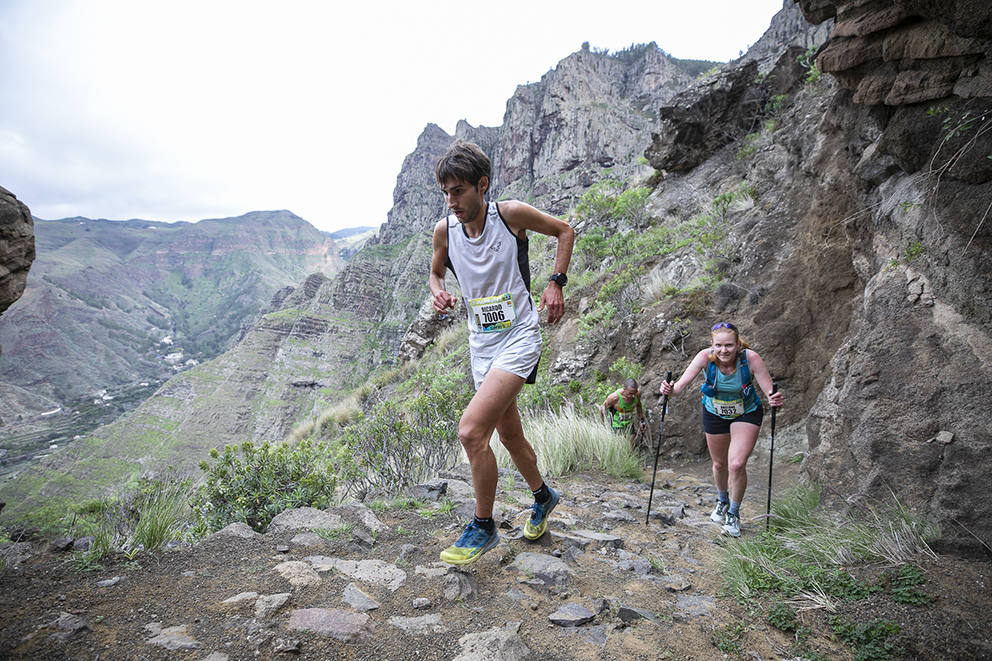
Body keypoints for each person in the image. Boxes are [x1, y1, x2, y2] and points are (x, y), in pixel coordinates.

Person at [429, 140, 575, 565]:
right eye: (446, 193)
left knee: (471, 432)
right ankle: (543, 496)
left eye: (458, 191)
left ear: (482, 185)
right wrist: (439, 292)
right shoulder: (444, 231)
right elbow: (435, 274)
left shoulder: (509, 216)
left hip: (519, 338)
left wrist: (556, 283)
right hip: (481, 346)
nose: (451, 201)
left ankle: (483, 525)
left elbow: (565, 230)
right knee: (509, 435)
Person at [658, 322, 783, 537]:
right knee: (719, 464)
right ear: (712, 344)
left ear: (738, 344)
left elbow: (770, 391)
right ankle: (722, 500)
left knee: (736, 464)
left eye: (729, 345)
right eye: (719, 345)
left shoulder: (751, 359)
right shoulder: (704, 357)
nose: (724, 350)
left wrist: (775, 399)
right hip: (714, 412)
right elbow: (677, 389)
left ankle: (733, 513)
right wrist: (668, 389)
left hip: (746, 412)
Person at [599, 378, 646, 451]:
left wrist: (642, 421)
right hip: (616, 424)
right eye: (630, 393)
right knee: (622, 445)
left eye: (634, 393)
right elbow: (601, 410)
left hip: (628, 422)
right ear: (624, 389)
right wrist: (602, 425)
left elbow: (639, 406)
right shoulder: (614, 398)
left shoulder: (637, 394)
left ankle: (631, 456)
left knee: (632, 444)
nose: (633, 396)